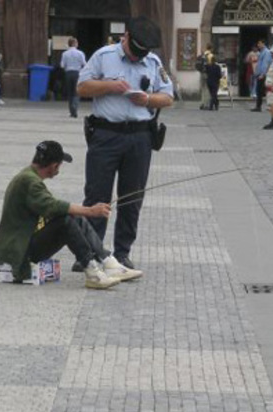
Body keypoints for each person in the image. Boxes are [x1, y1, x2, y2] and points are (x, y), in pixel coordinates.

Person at [76, 16, 174, 270]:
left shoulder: (153, 62)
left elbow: (168, 97)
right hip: (106, 135)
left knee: (132, 198)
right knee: (96, 195)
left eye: (142, 53)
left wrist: (149, 99)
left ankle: (122, 253)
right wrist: (107, 86)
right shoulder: (103, 55)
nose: (136, 57)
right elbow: (82, 87)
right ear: (126, 36)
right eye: (134, 51)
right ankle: (90, 252)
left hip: (140, 137)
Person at [0, 141, 142, 288]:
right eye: (60, 165)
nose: (59, 169)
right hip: (20, 252)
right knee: (66, 221)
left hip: (23, 244)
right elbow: (53, 206)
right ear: (54, 165)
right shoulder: (30, 182)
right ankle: (91, 269)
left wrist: (82, 211)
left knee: (73, 216)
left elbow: (52, 207)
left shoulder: (28, 176)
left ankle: (108, 262)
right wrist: (90, 211)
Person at [60, 37, 86, 118]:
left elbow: (62, 65)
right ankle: (75, 108)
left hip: (68, 73)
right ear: (75, 44)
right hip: (77, 73)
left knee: (70, 92)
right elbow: (84, 64)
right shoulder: (80, 53)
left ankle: (71, 111)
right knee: (76, 91)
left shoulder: (64, 54)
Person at [251, 39, 271, 112]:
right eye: (258, 43)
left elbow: (265, 64)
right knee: (259, 90)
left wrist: (262, 74)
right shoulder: (261, 52)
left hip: (262, 74)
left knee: (261, 90)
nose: (258, 45)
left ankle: (259, 106)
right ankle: (258, 106)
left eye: (259, 43)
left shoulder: (266, 52)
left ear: (263, 44)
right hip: (259, 73)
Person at [198, 43, 213, 110]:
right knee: (208, 89)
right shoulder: (211, 55)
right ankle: (207, 104)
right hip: (208, 74)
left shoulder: (203, 54)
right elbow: (211, 65)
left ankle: (202, 103)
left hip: (202, 73)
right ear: (211, 48)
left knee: (203, 89)